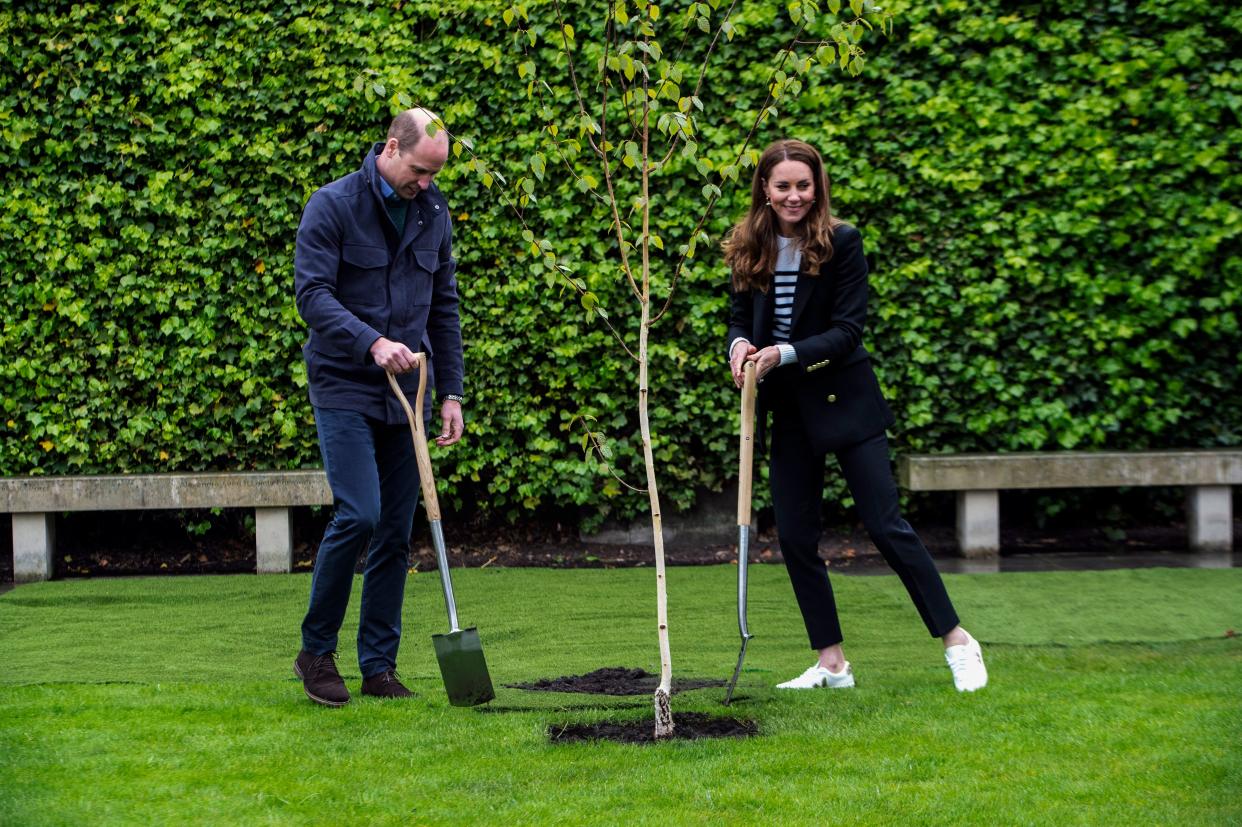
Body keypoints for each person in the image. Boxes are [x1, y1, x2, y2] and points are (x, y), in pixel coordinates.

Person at [724, 139, 987, 692]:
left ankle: (958, 641)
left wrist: (784, 353)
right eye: (782, 186)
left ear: (816, 187)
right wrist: (741, 346)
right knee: (796, 537)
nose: (794, 195)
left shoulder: (842, 242)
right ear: (765, 191)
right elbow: (737, 316)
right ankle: (832, 663)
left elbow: (848, 331)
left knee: (886, 526)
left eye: (803, 184)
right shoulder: (752, 244)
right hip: (789, 409)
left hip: (845, 403)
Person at [291, 108, 465, 706]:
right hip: (345, 382)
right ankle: (315, 653)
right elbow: (312, 296)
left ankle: (379, 668)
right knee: (360, 514)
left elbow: (444, 304)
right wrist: (371, 341)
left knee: (395, 529)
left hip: (409, 391)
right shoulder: (333, 205)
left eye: (434, 175)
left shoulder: (433, 211)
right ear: (391, 148)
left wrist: (451, 392)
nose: (426, 184)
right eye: (419, 171)